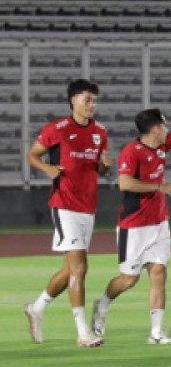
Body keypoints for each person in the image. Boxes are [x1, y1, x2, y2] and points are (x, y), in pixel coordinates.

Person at [90, 84, 171, 345]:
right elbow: (125, 184)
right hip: (133, 226)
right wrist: (160, 186)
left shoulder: (161, 147)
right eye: (164, 124)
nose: (167, 128)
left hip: (159, 223)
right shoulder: (131, 152)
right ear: (155, 128)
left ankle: (156, 332)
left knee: (159, 273)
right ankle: (101, 305)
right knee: (128, 280)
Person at [24, 79, 110, 347]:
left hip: (88, 206)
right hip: (65, 205)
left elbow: (99, 170)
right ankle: (83, 333)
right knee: (80, 268)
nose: (92, 105)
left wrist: (106, 166)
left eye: (94, 100)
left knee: (71, 269)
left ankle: (36, 307)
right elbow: (32, 154)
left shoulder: (100, 132)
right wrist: (47, 169)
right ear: (73, 100)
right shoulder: (57, 129)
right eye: (87, 99)